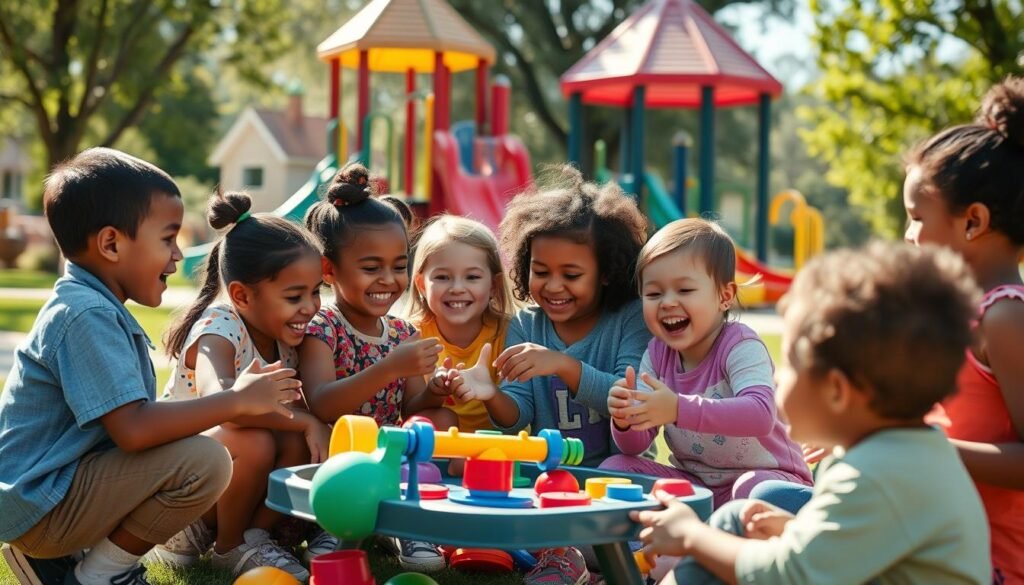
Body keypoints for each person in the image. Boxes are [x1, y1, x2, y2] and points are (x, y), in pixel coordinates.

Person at [0, 148, 300, 585]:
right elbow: (135, 430)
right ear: (111, 244)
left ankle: (58, 561)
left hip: (49, 500)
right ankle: (98, 574)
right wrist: (234, 401)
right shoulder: (86, 315)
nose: (177, 256)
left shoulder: (91, 307)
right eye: (167, 239)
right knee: (206, 462)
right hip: (44, 506)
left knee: (196, 449)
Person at [632, 242, 990, 585]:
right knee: (736, 519)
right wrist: (795, 529)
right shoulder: (896, 456)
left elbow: (790, 577)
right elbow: (869, 552)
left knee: (722, 529)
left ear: (835, 390)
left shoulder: (875, 475)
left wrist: (691, 535)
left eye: (787, 366)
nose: (777, 379)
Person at [451, 166, 652, 585]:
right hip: (546, 482)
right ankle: (570, 556)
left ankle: (576, 556)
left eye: (571, 275)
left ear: (608, 272)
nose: (553, 286)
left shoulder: (628, 320)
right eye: (541, 272)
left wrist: (563, 364)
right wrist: (491, 394)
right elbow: (518, 416)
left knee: (624, 512)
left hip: (615, 478)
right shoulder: (525, 325)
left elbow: (627, 398)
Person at [153, 190, 335, 579]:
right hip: (177, 487)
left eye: (316, 291)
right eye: (294, 295)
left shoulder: (284, 340)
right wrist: (302, 420)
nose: (311, 307)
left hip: (219, 481)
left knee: (296, 438)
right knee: (257, 438)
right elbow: (220, 401)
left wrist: (306, 424)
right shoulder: (218, 329)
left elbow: (289, 412)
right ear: (242, 295)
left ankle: (253, 537)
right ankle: (222, 543)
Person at [298, 163, 447, 573]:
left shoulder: (403, 331)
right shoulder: (322, 327)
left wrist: (436, 390)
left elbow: (412, 402)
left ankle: (407, 522)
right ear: (329, 270)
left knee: (435, 419)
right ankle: (335, 523)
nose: (388, 279)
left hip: (386, 453)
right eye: (370, 268)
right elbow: (323, 404)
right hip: (336, 454)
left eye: (398, 266)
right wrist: (387, 368)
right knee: (336, 449)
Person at [905, 76, 1024, 585]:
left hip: (988, 565)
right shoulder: (965, 311)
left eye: (915, 217)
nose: (908, 235)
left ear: (972, 222)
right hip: (939, 541)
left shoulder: (1006, 318)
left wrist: (919, 444)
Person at [604, 219, 811, 509]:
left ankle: (707, 543)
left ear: (724, 296)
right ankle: (634, 551)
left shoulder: (740, 345)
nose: (666, 302)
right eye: (653, 294)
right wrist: (626, 420)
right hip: (698, 488)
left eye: (684, 290)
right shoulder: (656, 354)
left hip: (770, 482)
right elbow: (635, 446)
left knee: (753, 491)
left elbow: (760, 414)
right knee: (617, 469)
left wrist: (677, 408)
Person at [405, 215, 515, 438]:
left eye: (472, 277)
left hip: (496, 451)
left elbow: (515, 419)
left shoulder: (510, 333)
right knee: (441, 418)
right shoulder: (411, 335)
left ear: (493, 285)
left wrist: (490, 393)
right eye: (443, 277)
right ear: (421, 285)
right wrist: (434, 393)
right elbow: (406, 413)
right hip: (437, 454)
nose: (457, 288)